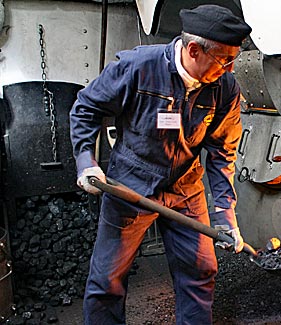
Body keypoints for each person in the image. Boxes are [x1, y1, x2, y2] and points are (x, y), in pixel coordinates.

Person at [69, 4, 252, 325]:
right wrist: (86, 161)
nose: (231, 69)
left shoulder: (224, 88)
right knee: (107, 282)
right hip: (129, 187)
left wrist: (225, 215)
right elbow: (86, 108)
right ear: (194, 49)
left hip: (185, 191)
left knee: (200, 270)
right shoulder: (138, 67)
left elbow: (223, 152)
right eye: (225, 60)